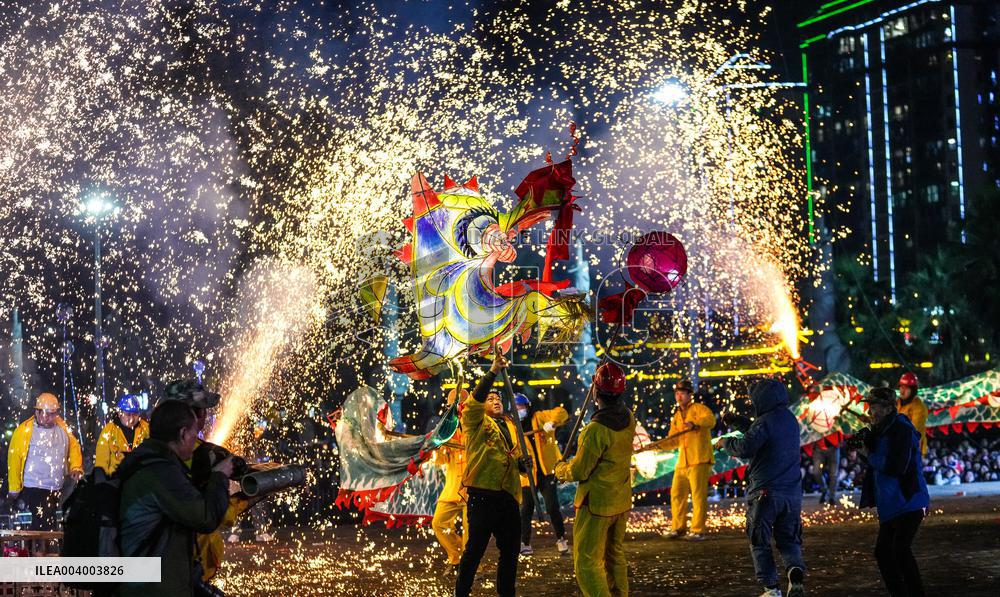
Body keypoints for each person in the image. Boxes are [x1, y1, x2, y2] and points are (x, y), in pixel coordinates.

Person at [118, 399, 233, 597]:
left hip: (138, 581)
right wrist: (219, 477)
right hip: (151, 589)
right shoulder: (161, 472)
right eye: (193, 434)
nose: (194, 441)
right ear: (182, 434)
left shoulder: (143, 460)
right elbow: (205, 517)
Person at [555, 361, 636, 597]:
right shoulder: (628, 417)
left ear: (596, 392)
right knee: (614, 556)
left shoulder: (595, 430)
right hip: (620, 500)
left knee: (588, 564)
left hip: (596, 505)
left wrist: (561, 469)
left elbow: (579, 471)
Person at [721, 379, 806, 597]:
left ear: (762, 399)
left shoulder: (764, 422)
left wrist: (726, 442)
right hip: (792, 493)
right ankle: (794, 570)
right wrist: (738, 421)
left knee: (759, 539)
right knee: (788, 538)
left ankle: (771, 588)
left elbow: (747, 445)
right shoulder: (790, 419)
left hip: (765, 492)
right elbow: (760, 430)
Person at [455, 353, 527, 597]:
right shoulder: (474, 421)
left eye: (498, 398)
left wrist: (523, 464)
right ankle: (461, 593)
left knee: (510, 553)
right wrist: (493, 371)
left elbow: (514, 459)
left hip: (508, 496)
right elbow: (474, 401)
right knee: (474, 551)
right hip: (483, 495)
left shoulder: (511, 425)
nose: (495, 400)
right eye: (490, 398)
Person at [855, 386, 929, 597]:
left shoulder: (901, 429)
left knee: (899, 550)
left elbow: (897, 467)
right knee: (885, 552)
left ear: (888, 408)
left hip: (909, 500)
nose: (870, 412)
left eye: (874, 406)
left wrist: (868, 453)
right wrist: (863, 445)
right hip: (892, 504)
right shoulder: (881, 430)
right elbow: (860, 450)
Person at [7, 392, 83, 530]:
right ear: (37, 412)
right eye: (45, 413)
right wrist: (14, 487)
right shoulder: (24, 431)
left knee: (47, 521)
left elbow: (74, 446)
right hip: (34, 485)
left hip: (55, 487)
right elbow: (14, 459)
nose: (48, 417)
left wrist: (76, 466)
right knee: (44, 521)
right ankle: (41, 549)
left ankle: (39, 548)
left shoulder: (63, 428)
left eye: (52, 414)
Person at [659, 379, 716, 541]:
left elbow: (711, 420)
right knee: (676, 494)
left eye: (682, 393)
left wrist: (695, 424)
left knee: (698, 496)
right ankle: (678, 527)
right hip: (683, 462)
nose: (679, 396)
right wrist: (656, 446)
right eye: (677, 393)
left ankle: (698, 530)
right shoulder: (677, 416)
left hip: (699, 459)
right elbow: (673, 440)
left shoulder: (699, 409)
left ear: (690, 395)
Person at [516, 392, 570, 556]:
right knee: (525, 509)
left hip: (546, 472)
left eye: (522, 407)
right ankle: (524, 543)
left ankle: (561, 539)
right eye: (517, 407)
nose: (520, 410)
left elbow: (562, 412)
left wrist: (552, 422)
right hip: (527, 474)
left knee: (552, 507)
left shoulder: (539, 417)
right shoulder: (513, 427)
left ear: (527, 407)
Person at [431, 388, 468, 573]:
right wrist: (439, 446)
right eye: (453, 405)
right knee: (439, 523)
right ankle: (457, 557)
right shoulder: (448, 428)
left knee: (472, 535)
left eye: (460, 404)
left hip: (473, 490)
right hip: (453, 489)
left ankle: (472, 568)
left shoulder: (478, 424)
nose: (456, 408)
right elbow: (440, 461)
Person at [95, 394, 150, 475]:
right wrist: (102, 478)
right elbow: (101, 458)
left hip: (141, 476)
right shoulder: (109, 431)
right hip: (116, 478)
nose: (131, 419)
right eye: (128, 414)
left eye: (135, 414)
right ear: (120, 413)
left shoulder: (146, 428)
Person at [897, 373, 928, 457]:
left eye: (906, 388)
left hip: (913, 451)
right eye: (901, 387)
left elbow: (914, 432)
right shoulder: (897, 403)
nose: (902, 391)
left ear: (913, 390)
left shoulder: (919, 408)